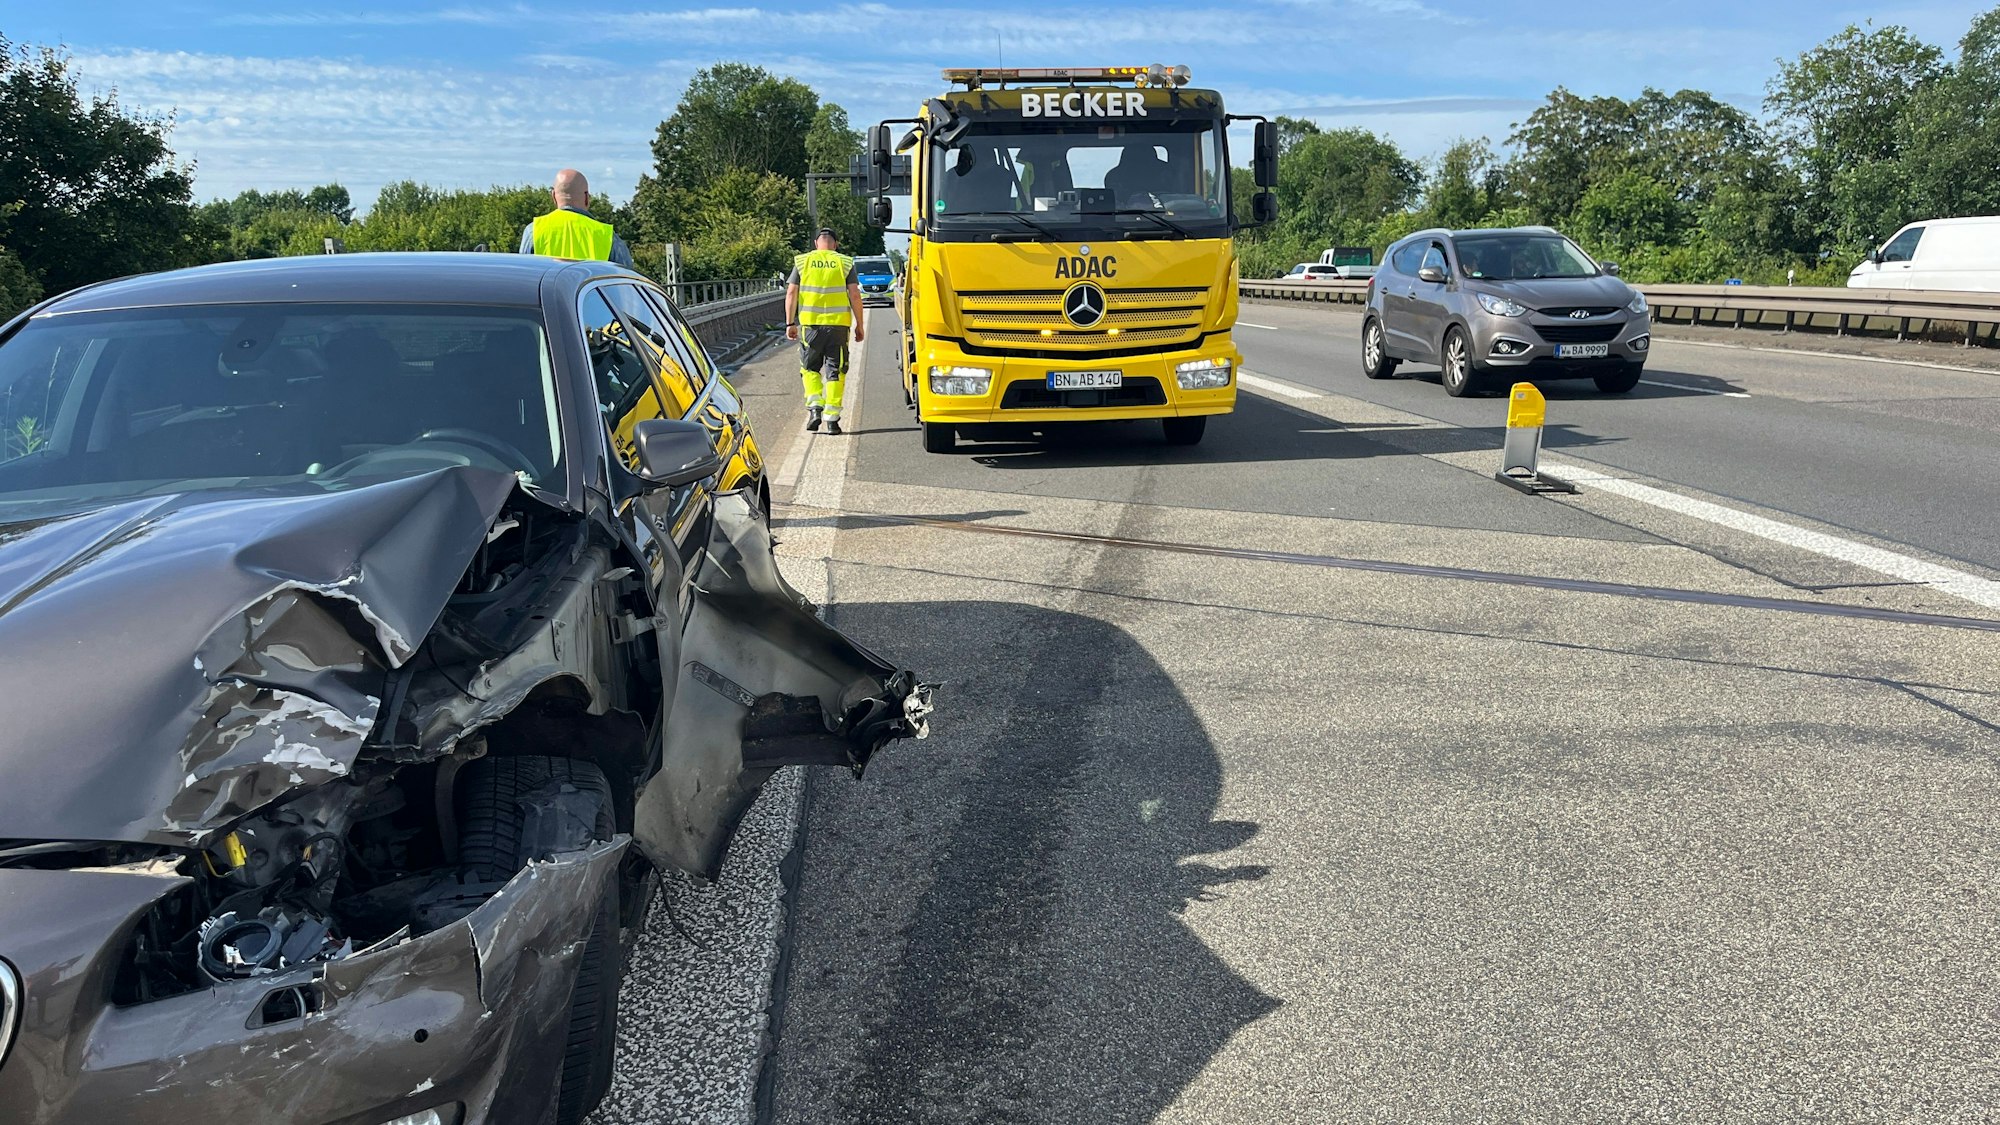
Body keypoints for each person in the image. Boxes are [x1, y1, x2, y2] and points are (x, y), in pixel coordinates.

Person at [785, 227, 865, 435]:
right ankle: (832, 420)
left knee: (809, 368)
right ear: (835, 244)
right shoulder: (845, 262)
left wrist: (789, 323)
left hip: (810, 326)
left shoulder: (803, 261)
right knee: (835, 371)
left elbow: (792, 292)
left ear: (816, 243)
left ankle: (815, 408)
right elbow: (855, 294)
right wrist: (860, 325)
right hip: (838, 327)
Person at [519, 168, 633, 267]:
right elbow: (626, 282)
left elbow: (524, 277)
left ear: (553, 196)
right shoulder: (607, 236)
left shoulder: (534, 231)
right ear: (587, 198)